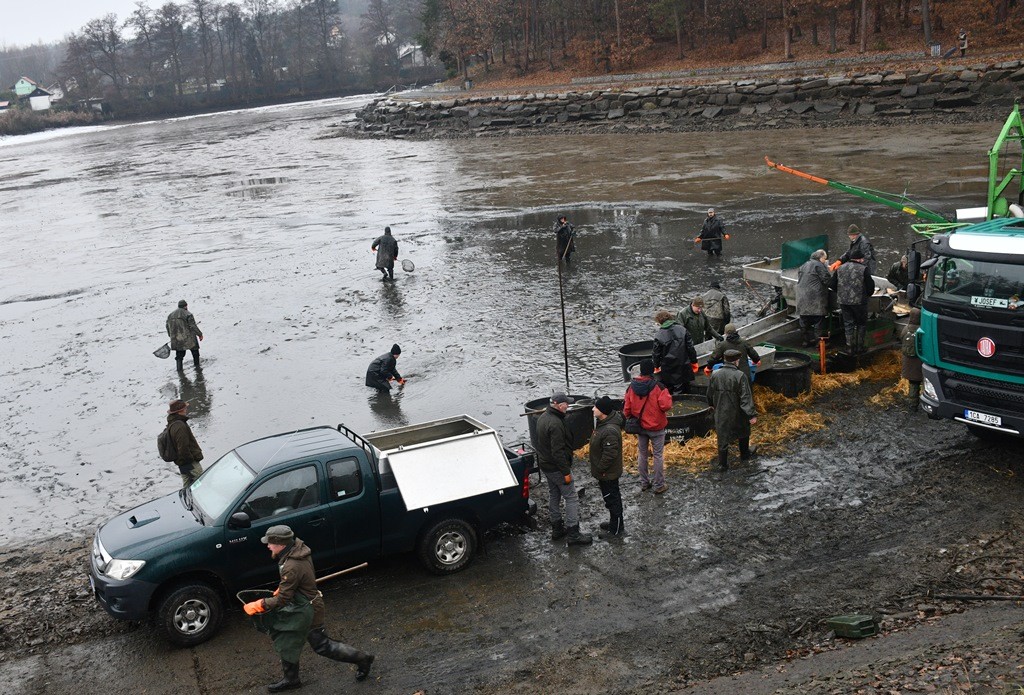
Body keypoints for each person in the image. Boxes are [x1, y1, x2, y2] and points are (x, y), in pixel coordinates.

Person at [242, 525, 374, 692]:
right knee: (287, 639)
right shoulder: (296, 549)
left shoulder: (292, 565)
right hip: (300, 603)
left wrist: (260, 604)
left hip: (308, 608)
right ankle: (291, 679)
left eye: (270, 543)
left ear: (281, 544)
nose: (268, 546)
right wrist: (285, 587)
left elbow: (283, 599)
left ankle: (363, 659)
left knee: (322, 645)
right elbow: (294, 582)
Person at [536, 393, 592, 546]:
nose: (568, 406)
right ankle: (573, 533)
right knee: (571, 497)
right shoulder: (555, 424)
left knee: (554, 494)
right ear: (558, 405)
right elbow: (558, 452)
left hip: (546, 465)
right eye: (566, 403)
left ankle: (557, 529)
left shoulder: (543, 417)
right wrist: (566, 472)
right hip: (557, 467)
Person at [623, 359, 673, 494]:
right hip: (656, 427)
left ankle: (644, 483)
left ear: (641, 371)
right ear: (652, 371)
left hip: (640, 427)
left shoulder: (631, 387)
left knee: (642, 454)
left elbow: (626, 409)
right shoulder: (659, 387)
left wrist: (632, 417)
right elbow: (666, 406)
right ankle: (659, 485)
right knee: (658, 456)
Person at [706, 349, 758, 471]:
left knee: (722, 435)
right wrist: (751, 414)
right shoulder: (740, 376)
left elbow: (709, 393)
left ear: (724, 360)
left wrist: (711, 405)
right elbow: (745, 397)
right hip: (737, 411)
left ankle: (722, 464)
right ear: (736, 361)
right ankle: (744, 454)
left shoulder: (715, 374)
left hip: (721, 411)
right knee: (743, 430)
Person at [589, 396, 625, 538]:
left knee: (613, 500)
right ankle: (613, 523)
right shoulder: (603, 424)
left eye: (596, 407)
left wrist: (600, 469)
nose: (593, 409)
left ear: (603, 411)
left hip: (608, 473)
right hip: (605, 473)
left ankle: (616, 530)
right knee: (610, 499)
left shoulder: (609, 430)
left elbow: (610, 454)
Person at [830, 248, 875, 354]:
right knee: (861, 324)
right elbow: (870, 286)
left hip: (843, 301)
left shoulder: (840, 268)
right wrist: (867, 295)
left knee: (848, 323)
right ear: (859, 259)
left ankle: (849, 347)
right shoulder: (863, 269)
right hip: (859, 302)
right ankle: (860, 347)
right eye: (862, 259)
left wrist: (840, 292)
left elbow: (832, 284)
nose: (863, 260)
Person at [652, 310, 697, 395]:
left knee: (673, 389)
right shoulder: (682, 329)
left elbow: (656, 354)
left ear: (659, 321)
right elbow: (690, 348)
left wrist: (656, 366)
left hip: (668, 367)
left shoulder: (659, 335)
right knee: (685, 387)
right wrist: (694, 361)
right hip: (684, 364)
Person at [796, 249, 833, 347]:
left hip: (802, 296)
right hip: (816, 297)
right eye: (824, 258)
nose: (825, 261)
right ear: (820, 258)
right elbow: (827, 280)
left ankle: (805, 341)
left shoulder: (803, 265)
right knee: (819, 320)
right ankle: (819, 343)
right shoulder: (819, 265)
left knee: (804, 319)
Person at [166, 399, 203, 487]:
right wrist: (190, 462)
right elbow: (183, 448)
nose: (186, 410)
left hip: (183, 464)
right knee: (201, 484)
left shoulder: (172, 424)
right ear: (179, 411)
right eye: (184, 408)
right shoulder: (180, 426)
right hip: (190, 464)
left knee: (188, 487)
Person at [166, 300, 203, 371]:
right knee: (195, 353)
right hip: (189, 338)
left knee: (179, 356)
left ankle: (179, 371)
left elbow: (167, 327)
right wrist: (200, 334)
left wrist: (171, 336)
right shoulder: (188, 314)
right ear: (186, 306)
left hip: (176, 339)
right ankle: (198, 369)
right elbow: (193, 326)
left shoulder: (170, 315)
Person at [901, 308, 923, 412]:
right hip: (920, 362)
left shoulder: (906, 329)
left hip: (908, 362)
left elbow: (901, 338)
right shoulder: (922, 330)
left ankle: (912, 405)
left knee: (913, 384)